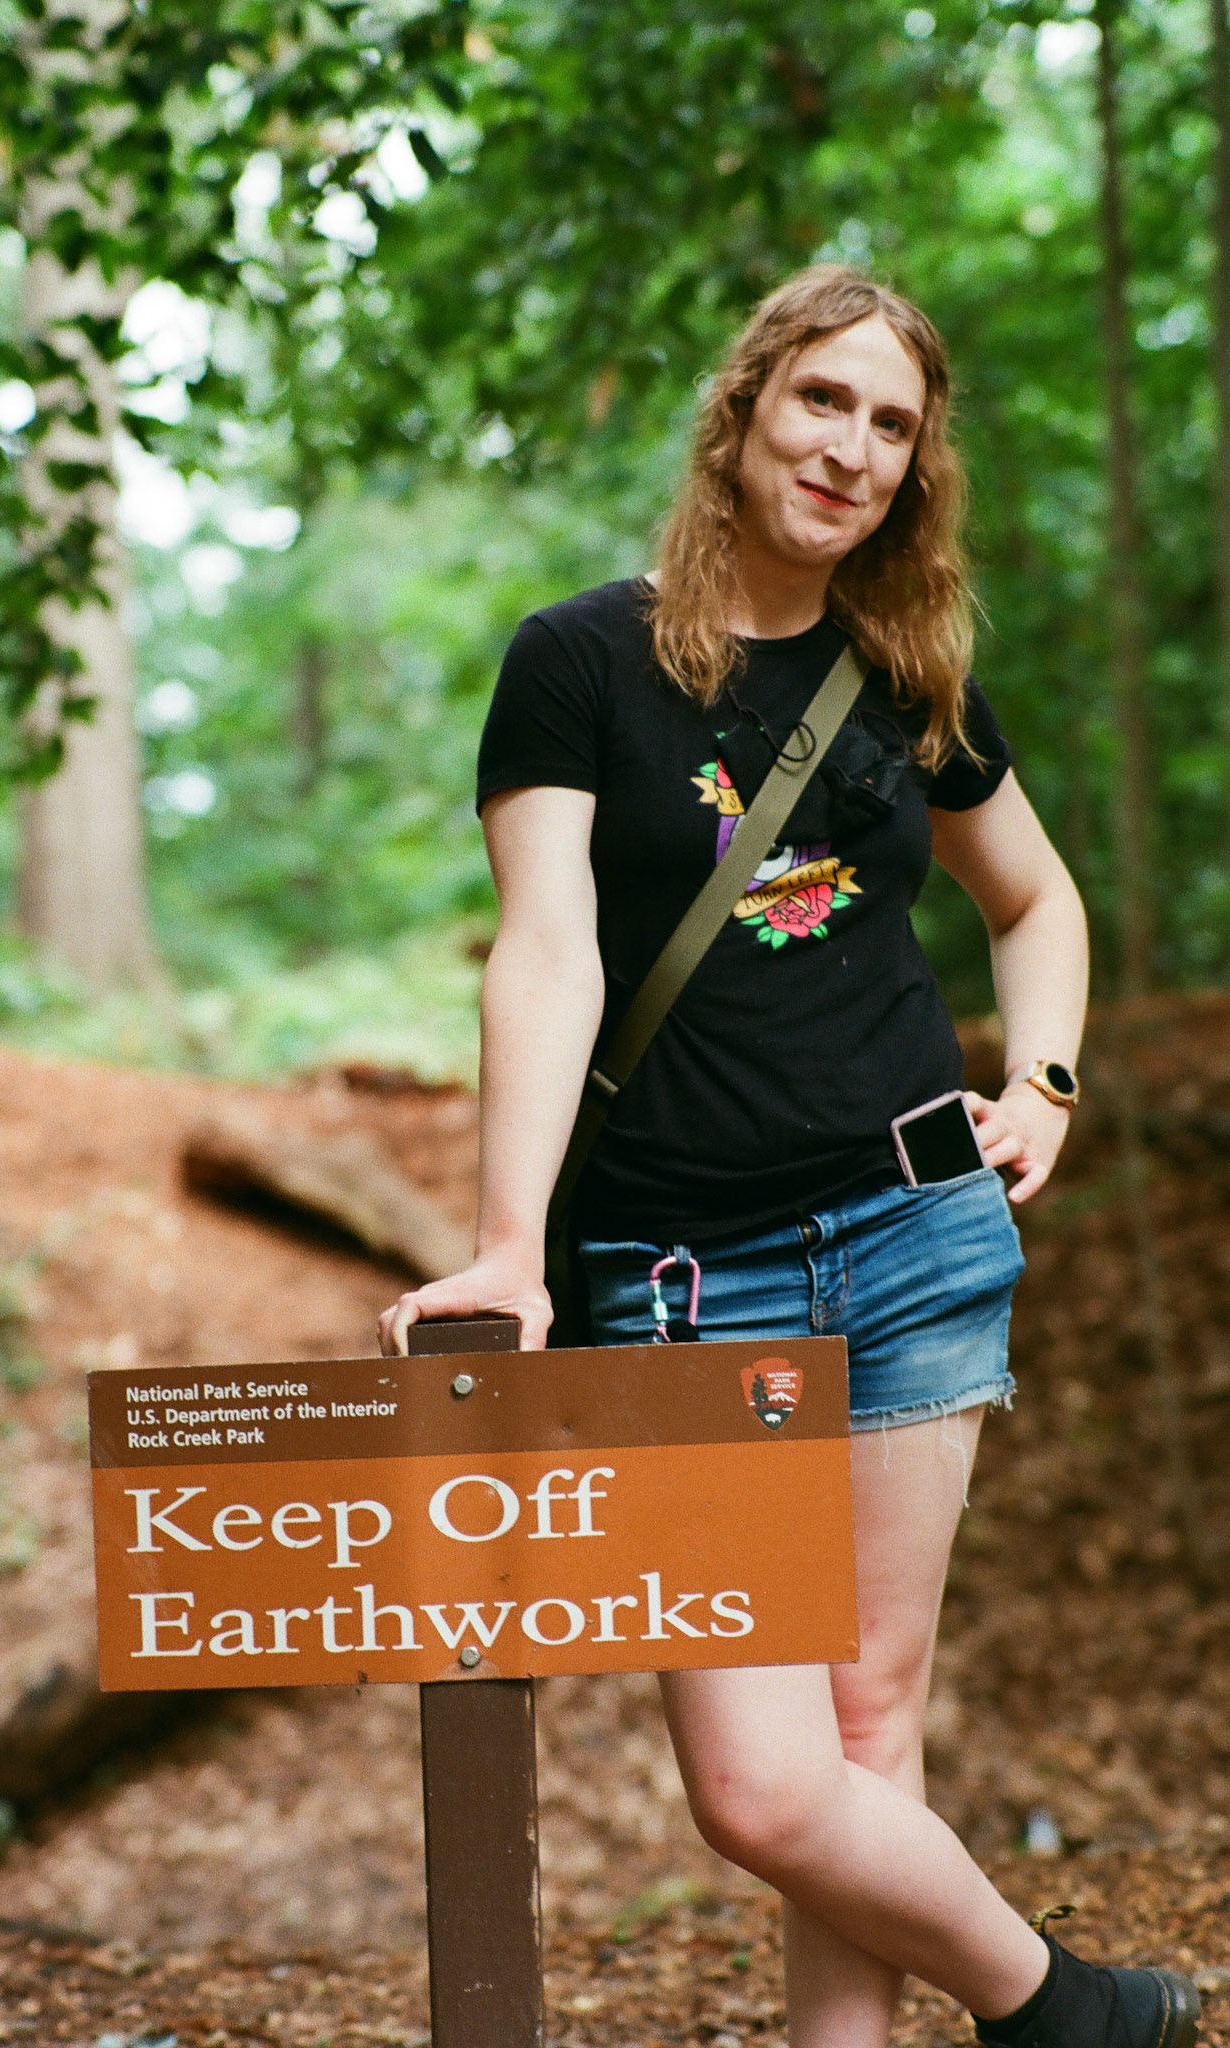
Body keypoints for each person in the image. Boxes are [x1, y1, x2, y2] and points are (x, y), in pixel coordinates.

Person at [378, 266, 1199, 2048]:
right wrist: (510, 1245)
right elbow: (546, 953)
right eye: (821, 400)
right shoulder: (578, 661)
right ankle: (1063, 2007)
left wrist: (1045, 1082)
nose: (850, 448)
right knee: (758, 1790)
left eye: (890, 426)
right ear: (743, 411)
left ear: (914, 472)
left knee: (867, 1727)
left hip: (912, 1231)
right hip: (683, 1273)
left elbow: (1036, 900)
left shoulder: (901, 677)